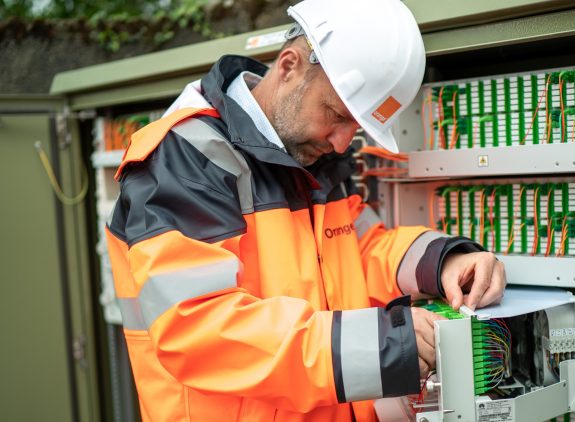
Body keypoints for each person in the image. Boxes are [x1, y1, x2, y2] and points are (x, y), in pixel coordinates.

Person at [106, 0, 506, 420]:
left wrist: (442, 262)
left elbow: (362, 249)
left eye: (356, 129)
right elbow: (201, 330)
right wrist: (383, 347)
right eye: (335, 115)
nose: (340, 142)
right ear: (290, 65)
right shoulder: (185, 158)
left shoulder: (313, 158)